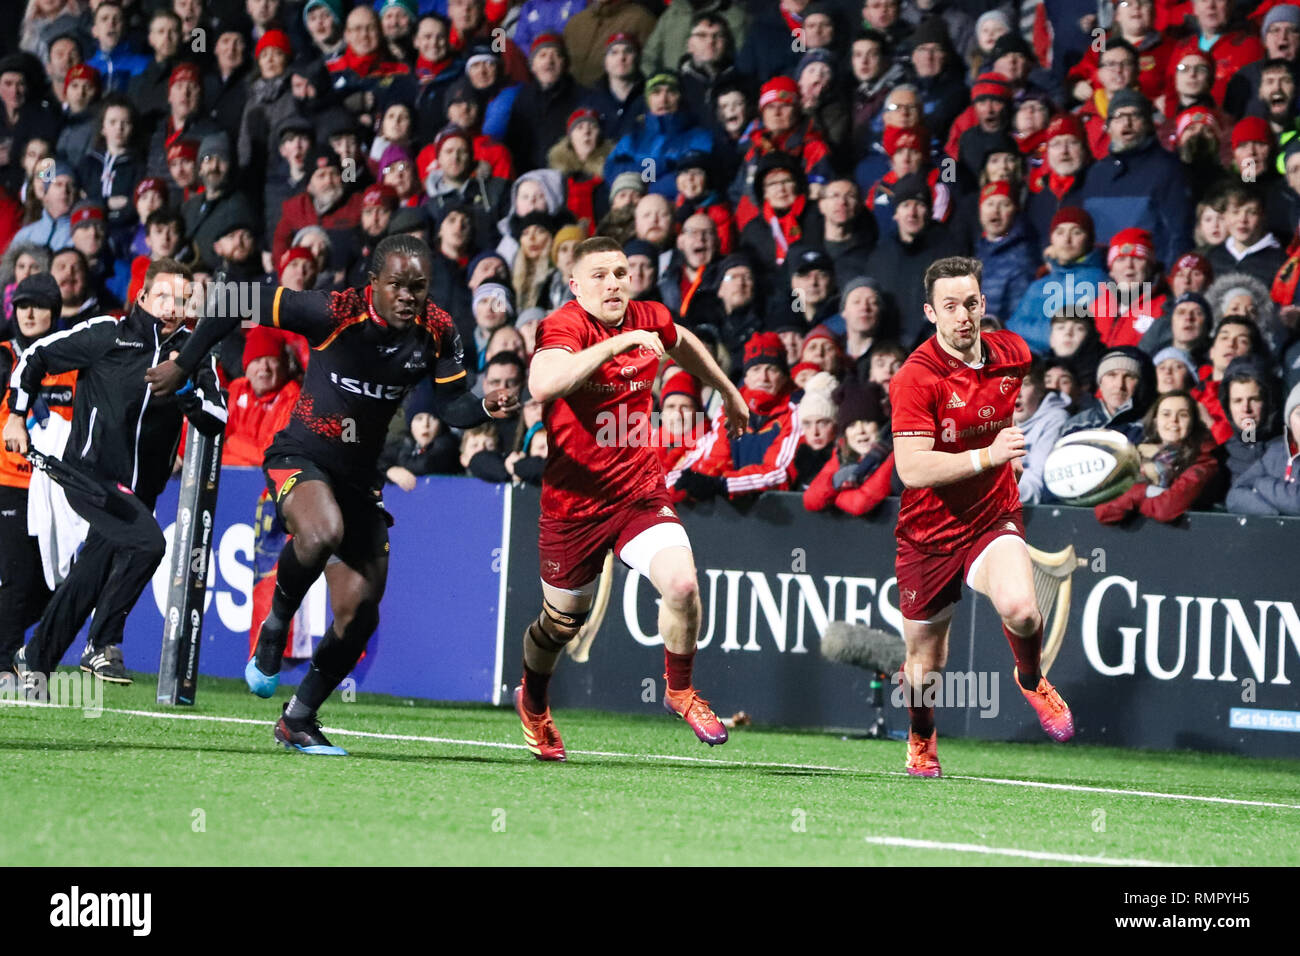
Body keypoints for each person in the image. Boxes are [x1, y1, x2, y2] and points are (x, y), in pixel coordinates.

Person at [144, 236, 519, 755]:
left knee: (361, 611)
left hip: (361, 478)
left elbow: (453, 403)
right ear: (373, 284)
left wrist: (486, 406)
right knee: (322, 532)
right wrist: (184, 363)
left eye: (419, 286)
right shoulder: (334, 310)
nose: (409, 296)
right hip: (303, 455)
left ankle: (298, 719)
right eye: (397, 285)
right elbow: (234, 296)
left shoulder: (438, 329)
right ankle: (275, 626)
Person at [518, 235, 748, 760]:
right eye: (599, 275)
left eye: (620, 273)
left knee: (683, 584)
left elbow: (681, 339)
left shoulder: (649, 316)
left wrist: (726, 389)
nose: (614, 283)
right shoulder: (564, 326)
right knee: (560, 624)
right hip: (573, 505)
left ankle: (680, 691)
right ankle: (533, 701)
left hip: (638, 493)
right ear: (575, 286)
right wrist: (617, 344)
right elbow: (543, 384)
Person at [889, 255, 1074, 778]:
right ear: (931, 312)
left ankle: (1031, 678)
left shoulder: (1013, 353)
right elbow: (912, 468)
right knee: (925, 666)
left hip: (993, 516)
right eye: (950, 306)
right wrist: (987, 455)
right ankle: (922, 738)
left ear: (983, 304)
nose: (963, 315)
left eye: (971, 303)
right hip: (927, 534)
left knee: (1024, 610)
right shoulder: (916, 379)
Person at [5, 260, 227, 693]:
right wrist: (16, 414)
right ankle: (103, 642)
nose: (172, 306)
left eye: (182, 299)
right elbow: (36, 356)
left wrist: (183, 387)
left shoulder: (194, 352)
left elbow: (216, 418)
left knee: (89, 574)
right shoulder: (109, 332)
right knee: (149, 544)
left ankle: (34, 661)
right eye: (163, 296)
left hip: (140, 492)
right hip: (91, 476)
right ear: (143, 298)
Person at [0, 274, 76, 685]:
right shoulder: (2, 357)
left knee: (51, 583)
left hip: (51, 487)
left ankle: (7, 643)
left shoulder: (69, 359)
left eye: (39, 305)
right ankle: (2, 667)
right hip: (8, 481)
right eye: (22, 305)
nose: (29, 313)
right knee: (16, 575)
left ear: (54, 312)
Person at [1094, 390, 1218, 524]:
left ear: (1193, 423)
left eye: (1183, 415)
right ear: (1155, 421)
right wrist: (1146, 491)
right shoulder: (1133, 456)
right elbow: (1104, 511)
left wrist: (1132, 502)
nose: (1173, 420)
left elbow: (1166, 509)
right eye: (1166, 414)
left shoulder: (1204, 462)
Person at [1226, 382, 1300, 515]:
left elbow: (1296, 503)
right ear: (1289, 419)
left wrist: (1259, 484)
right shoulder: (1276, 452)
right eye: (1299, 414)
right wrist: (1273, 515)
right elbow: (1235, 496)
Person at [1013, 362, 1070, 504]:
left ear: (1040, 390)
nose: (1016, 392)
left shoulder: (1055, 419)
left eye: (1025, 384)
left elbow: (1036, 487)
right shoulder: (994, 421)